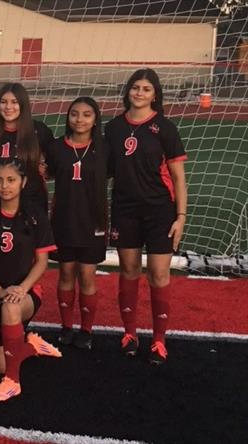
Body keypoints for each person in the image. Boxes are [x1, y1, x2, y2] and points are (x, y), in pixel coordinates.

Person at [105, 68, 187, 365]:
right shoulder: (114, 128)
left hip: (160, 210)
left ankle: (159, 340)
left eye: (146, 89)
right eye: (135, 87)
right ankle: (129, 334)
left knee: (158, 273)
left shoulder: (164, 128)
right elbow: (104, 171)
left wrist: (181, 216)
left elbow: (178, 177)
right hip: (125, 209)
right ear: (128, 91)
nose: (139, 93)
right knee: (128, 270)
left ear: (155, 95)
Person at [0, 157, 62, 402]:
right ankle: (31, 345)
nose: (5, 186)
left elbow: (41, 262)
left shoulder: (35, 215)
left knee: (10, 307)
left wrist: (21, 289)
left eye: (11, 180)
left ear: (23, 182)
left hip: (25, 293)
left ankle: (12, 382)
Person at [44, 97, 109, 349]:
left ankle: (86, 330)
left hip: (94, 221)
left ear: (95, 119)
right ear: (68, 117)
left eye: (86, 114)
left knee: (87, 276)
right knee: (66, 273)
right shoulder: (56, 147)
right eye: (74, 114)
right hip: (63, 220)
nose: (79, 119)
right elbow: (46, 172)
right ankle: (67, 326)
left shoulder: (104, 148)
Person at [0, 82, 54, 212]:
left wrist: (46, 170)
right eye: (3, 102)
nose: (8, 107)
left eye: (14, 102)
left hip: (33, 202)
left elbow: (55, 161)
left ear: (23, 104)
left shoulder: (39, 131)